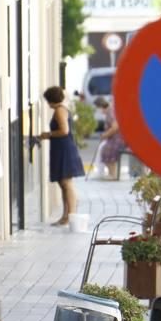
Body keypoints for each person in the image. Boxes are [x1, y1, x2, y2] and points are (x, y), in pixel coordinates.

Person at [38, 86, 83, 226]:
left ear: (50, 100)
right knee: (63, 184)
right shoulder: (61, 109)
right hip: (61, 149)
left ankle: (71, 215)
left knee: (66, 183)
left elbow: (64, 130)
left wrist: (49, 134)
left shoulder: (59, 111)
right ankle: (66, 215)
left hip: (64, 149)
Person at [94, 97, 127, 180]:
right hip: (114, 138)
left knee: (106, 149)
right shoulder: (110, 111)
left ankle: (113, 174)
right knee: (104, 148)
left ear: (101, 106)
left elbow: (115, 127)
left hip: (118, 139)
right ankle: (111, 173)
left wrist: (105, 135)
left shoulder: (110, 112)